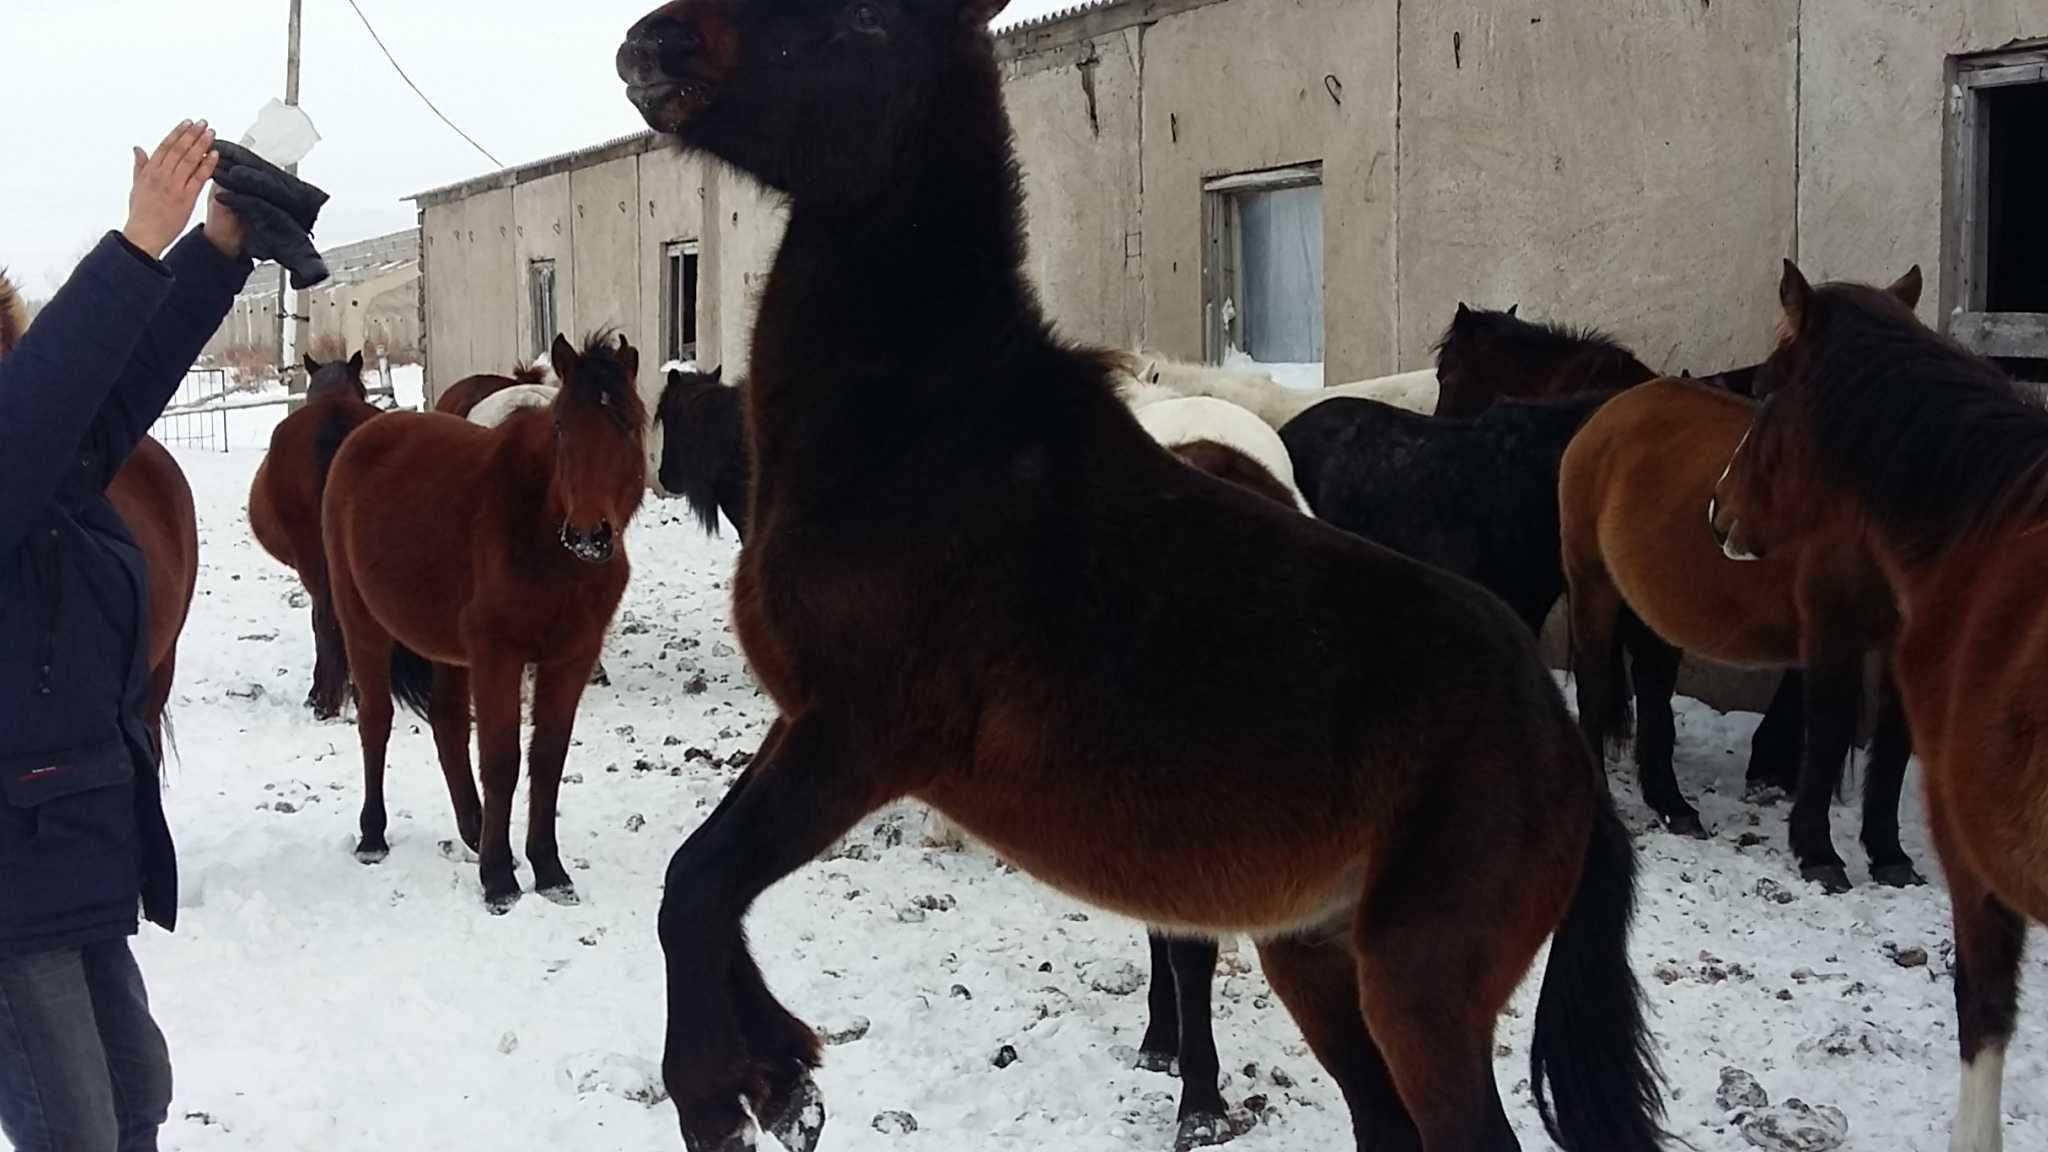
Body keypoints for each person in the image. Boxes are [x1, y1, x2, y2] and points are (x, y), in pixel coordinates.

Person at [0, 120, 252, 1152]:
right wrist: (133, 244)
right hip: (11, 894)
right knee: (76, 1132)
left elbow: (115, 379)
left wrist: (218, 248)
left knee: (136, 1096)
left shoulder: (45, 466)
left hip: (68, 857)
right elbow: (38, 411)